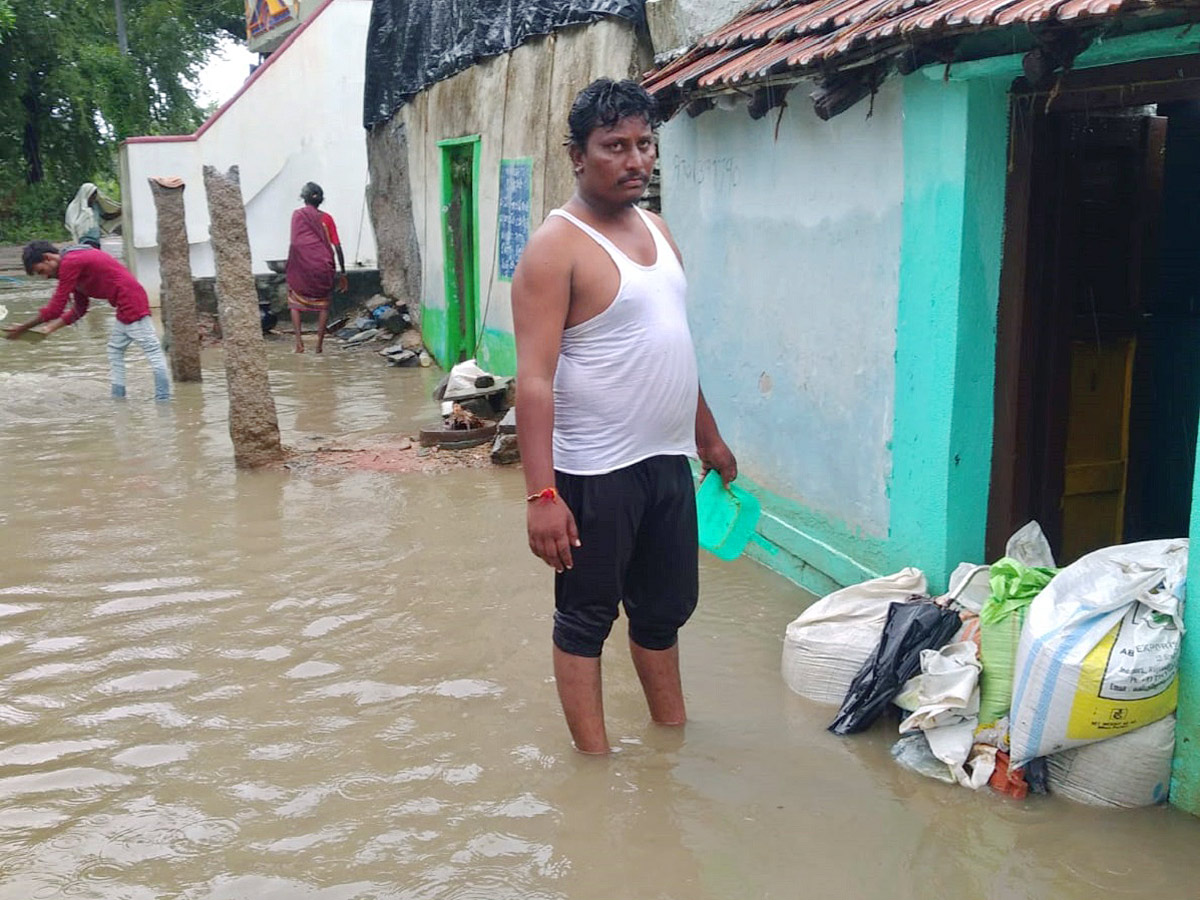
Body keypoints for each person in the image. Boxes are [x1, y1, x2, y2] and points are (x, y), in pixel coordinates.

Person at [511, 78, 737, 754]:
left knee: (664, 611)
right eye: (615, 147)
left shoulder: (659, 231)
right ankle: (595, 767)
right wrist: (542, 494)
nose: (636, 160)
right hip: (592, 469)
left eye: (645, 144)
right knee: (585, 618)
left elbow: (672, 346)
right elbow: (534, 382)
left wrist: (709, 437)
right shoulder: (557, 247)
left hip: (665, 460)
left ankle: (672, 736)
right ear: (577, 156)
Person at [5, 241, 171, 401]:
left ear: (48, 258)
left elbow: (55, 308)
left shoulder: (71, 262)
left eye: (42, 271)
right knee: (115, 350)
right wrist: (50, 328)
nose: (46, 277)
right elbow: (80, 308)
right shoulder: (73, 265)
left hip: (132, 303)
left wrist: (23, 327)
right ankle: (118, 398)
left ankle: (163, 401)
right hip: (123, 305)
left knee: (153, 352)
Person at [285, 182, 347, 353]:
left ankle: (299, 344)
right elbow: (337, 246)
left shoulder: (297, 216)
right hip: (323, 267)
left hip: (302, 267)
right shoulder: (326, 219)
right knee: (324, 305)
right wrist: (342, 272)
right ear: (321, 199)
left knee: (294, 302)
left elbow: (296, 243)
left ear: (303, 198)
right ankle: (319, 346)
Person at [65, 183, 121, 249]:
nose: (94, 197)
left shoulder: (96, 206)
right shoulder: (76, 207)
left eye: (95, 195)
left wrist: (118, 212)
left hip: (95, 239)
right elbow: (72, 222)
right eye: (92, 195)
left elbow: (105, 216)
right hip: (84, 240)